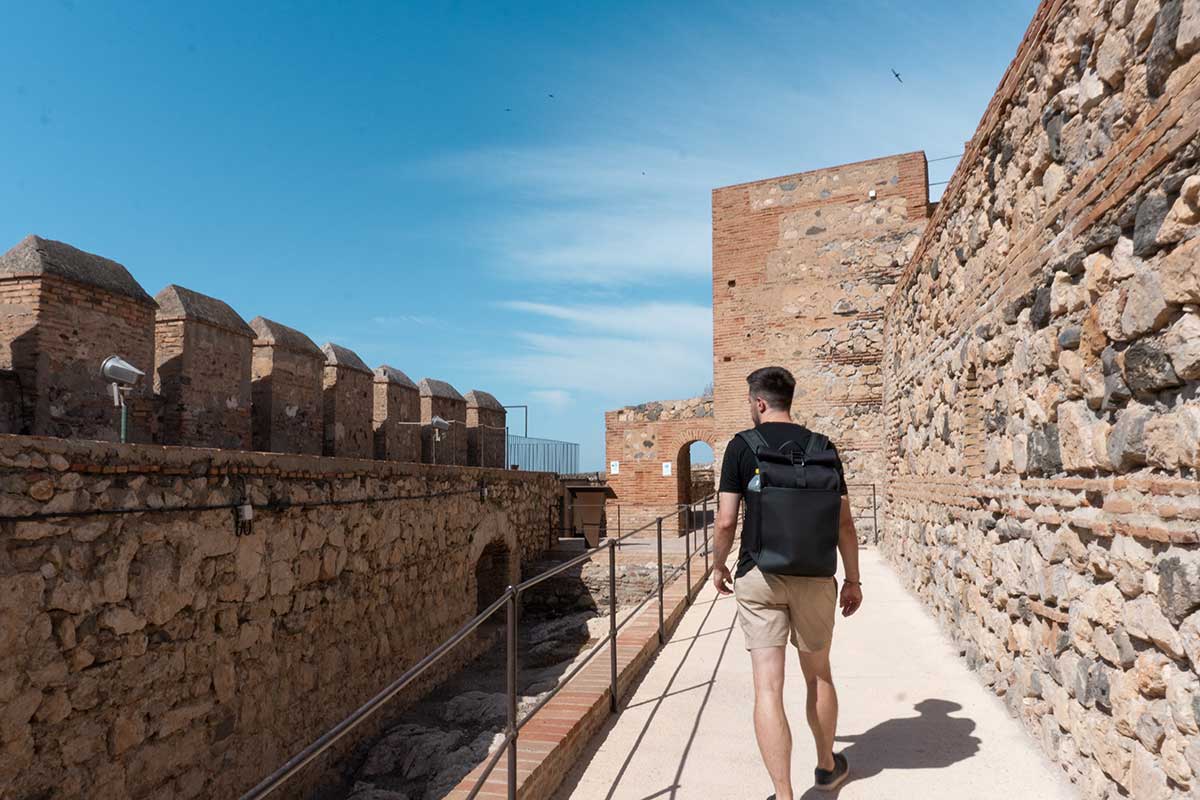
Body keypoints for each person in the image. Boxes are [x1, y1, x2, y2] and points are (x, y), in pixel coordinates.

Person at [711, 366, 863, 797]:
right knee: (818, 675)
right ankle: (827, 766)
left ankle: (783, 794)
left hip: (760, 575)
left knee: (768, 687)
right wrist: (852, 580)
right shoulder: (823, 447)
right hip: (815, 576)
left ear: (759, 403)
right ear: (787, 399)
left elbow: (725, 521)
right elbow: (845, 524)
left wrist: (719, 567)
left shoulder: (743, 446)